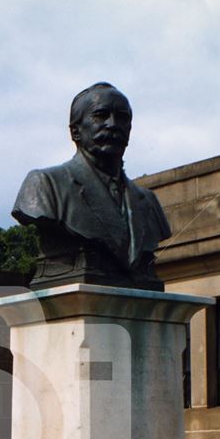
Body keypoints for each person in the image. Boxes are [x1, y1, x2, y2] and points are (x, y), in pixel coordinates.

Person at [12, 82, 170, 290]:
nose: (113, 124)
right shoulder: (44, 185)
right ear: (75, 131)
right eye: (100, 115)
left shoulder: (148, 201)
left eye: (122, 117)